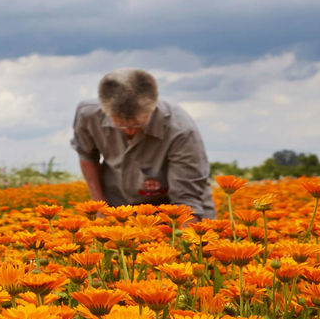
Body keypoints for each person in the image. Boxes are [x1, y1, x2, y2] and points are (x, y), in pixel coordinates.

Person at [71, 68, 214, 219]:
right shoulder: (88, 115)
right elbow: (86, 155)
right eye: (121, 125)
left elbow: (186, 200)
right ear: (105, 111)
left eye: (138, 125)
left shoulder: (181, 130)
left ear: (152, 108)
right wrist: (100, 206)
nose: (130, 131)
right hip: (118, 205)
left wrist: (187, 240)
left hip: (172, 208)